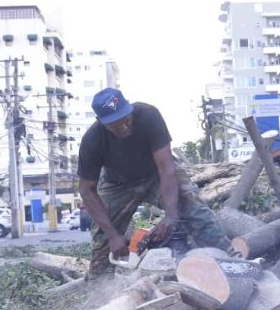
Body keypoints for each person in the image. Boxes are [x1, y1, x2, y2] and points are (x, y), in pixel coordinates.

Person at [77, 88, 228, 278]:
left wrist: (171, 215)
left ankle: (230, 262)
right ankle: (99, 290)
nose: (124, 127)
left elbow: (166, 168)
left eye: (126, 119)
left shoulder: (148, 115)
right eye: (116, 125)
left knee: (194, 209)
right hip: (118, 184)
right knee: (103, 239)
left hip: (156, 174)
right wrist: (113, 235)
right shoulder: (92, 141)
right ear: (102, 122)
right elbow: (86, 190)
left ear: (129, 108)